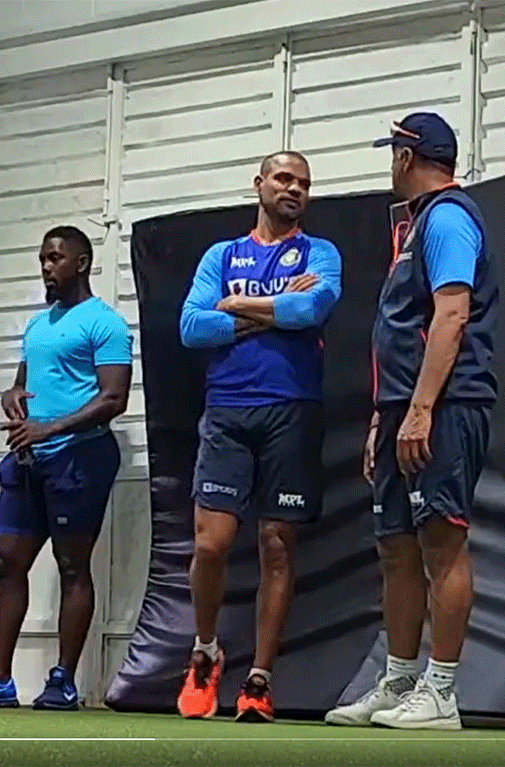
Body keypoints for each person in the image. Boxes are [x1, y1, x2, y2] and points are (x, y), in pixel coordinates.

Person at [325, 112, 497, 731]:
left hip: (447, 405)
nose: (389, 165)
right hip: (405, 408)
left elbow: (451, 315)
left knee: (440, 543)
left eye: (392, 153)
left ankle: (442, 693)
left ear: (406, 156)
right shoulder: (419, 226)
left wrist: (423, 408)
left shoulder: (448, 219)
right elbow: (401, 335)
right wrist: (386, 416)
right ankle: (399, 681)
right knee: (395, 546)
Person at [176, 150, 342, 723]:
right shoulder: (222, 254)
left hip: (292, 409)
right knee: (210, 545)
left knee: (277, 543)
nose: (294, 189)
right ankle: (205, 653)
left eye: (303, 183)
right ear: (260, 185)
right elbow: (192, 326)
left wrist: (239, 305)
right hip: (227, 410)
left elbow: (314, 307)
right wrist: (276, 307)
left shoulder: (320, 253)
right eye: (284, 179)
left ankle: (259, 680)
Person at [0, 226, 133, 710]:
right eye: (42, 259)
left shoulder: (105, 323)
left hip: (80, 458)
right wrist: (12, 396)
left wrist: (51, 428)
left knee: (72, 567)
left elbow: (114, 398)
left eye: (55, 258)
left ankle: (63, 680)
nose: (46, 267)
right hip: (29, 460)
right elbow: (23, 381)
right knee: (7, 563)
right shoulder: (38, 325)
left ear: (82, 263)